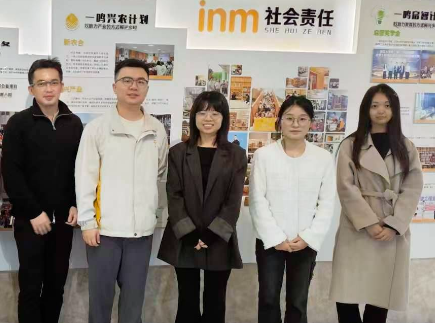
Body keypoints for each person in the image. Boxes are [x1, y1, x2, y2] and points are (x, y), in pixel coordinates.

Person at [76, 59, 168, 323]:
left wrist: (153, 215)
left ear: (147, 87)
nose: (133, 86)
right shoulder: (97, 129)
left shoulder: (156, 129)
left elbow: (160, 174)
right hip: (104, 232)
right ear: (114, 86)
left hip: (141, 233)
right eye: (127, 80)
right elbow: (85, 178)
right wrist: (87, 222)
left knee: (133, 306)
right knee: (100, 304)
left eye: (140, 81)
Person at [330, 84, 424, 323]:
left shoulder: (406, 147)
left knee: (380, 299)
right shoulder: (351, 144)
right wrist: (369, 223)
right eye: (374, 105)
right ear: (366, 109)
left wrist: (394, 224)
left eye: (387, 105)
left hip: (390, 231)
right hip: (356, 229)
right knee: (346, 296)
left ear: (394, 109)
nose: (381, 110)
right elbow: (345, 187)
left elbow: (413, 188)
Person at [1, 58, 83, 323]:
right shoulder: (18, 123)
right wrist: (33, 212)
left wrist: (75, 203)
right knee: (30, 288)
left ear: (62, 86)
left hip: (64, 222)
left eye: (53, 82)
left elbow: (80, 169)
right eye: (42, 83)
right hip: (30, 222)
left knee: (56, 286)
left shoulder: (74, 124)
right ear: (31, 89)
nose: (48, 89)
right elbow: (11, 174)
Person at [158, 91, 247, 323]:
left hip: (219, 238)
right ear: (194, 117)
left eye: (215, 113)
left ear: (223, 118)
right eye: (203, 112)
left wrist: (212, 234)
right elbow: (174, 195)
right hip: (184, 238)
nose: (208, 118)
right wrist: (189, 233)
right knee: (187, 302)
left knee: (215, 302)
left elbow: (233, 201)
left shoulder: (236, 155)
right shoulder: (178, 152)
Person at [249, 95, 336, 323]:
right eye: (289, 118)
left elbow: (327, 203)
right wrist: (275, 238)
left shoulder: (323, 158)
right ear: (280, 121)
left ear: (311, 123)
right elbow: (257, 200)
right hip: (270, 242)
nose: (295, 124)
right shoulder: (264, 155)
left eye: (302, 119)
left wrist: (309, 237)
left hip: (304, 242)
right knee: (268, 299)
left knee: (298, 302)